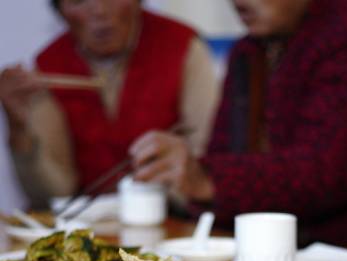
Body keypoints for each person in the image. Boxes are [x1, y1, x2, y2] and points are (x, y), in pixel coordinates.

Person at [130, 0, 347, 253]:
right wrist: (195, 179)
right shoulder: (248, 52)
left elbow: (325, 174)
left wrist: (206, 179)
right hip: (271, 256)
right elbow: (224, 152)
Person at [0, 0, 219, 209]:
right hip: (86, 227)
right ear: (60, 12)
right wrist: (19, 128)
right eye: (79, 1)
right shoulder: (49, 65)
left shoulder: (180, 45)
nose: (99, 11)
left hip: (173, 219)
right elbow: (54, 194)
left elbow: (208, 166)